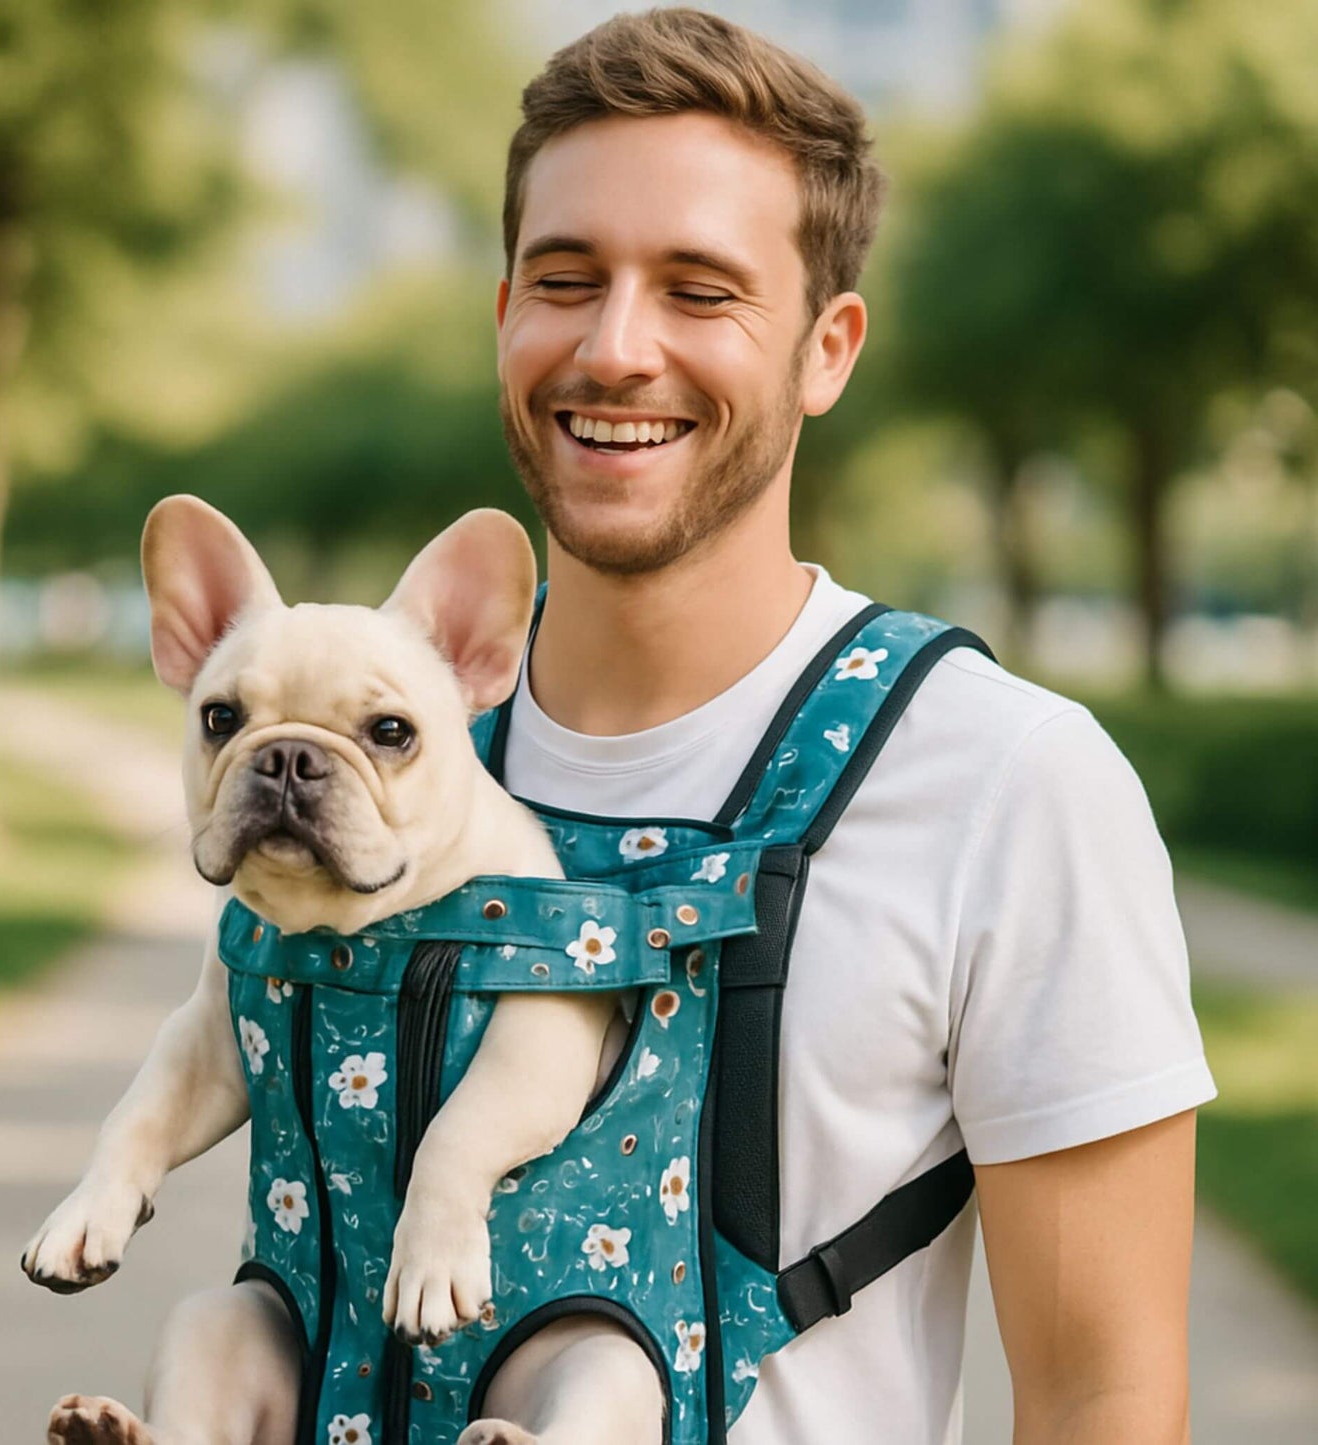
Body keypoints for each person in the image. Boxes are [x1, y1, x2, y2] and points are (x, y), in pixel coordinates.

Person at [489, 8, 1215, 1443]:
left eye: (700, 291)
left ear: (826, 350)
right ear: (502, 313)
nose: (615, 346)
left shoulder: (1006, 782)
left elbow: (1100, 1397)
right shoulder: (382, 756)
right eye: (564, 277)